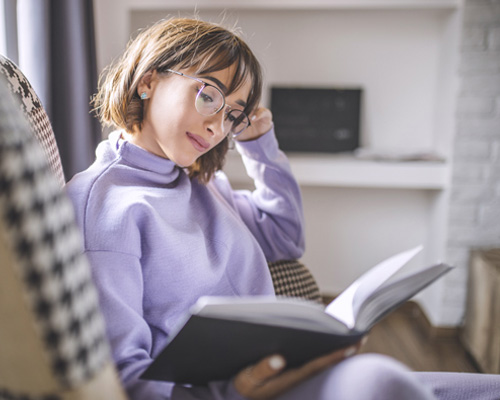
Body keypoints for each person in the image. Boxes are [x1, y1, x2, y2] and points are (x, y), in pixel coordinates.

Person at [65, 17, 499, 400]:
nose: (218, 126)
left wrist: (258, 145)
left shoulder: (201, 182)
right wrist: (233, 392)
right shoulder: (104, 209)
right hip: (236, 391)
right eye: (208, 95)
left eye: (234, 114)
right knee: (378, 384)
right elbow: (122, 381)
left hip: (280, 372)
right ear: (149, 80)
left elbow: (284, 236)